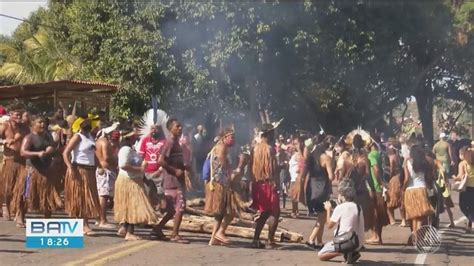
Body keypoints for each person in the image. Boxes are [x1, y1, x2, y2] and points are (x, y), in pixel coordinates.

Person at [114, 129, 158, 240]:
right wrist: (140, 169)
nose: (136, 138)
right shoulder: (125, 149)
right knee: (133, 206)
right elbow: (123, 165)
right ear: (128, 138)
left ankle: (124, 229)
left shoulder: (130, 149)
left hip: (133, 180)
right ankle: (130, 233)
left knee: (129, 206)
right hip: (129, 181)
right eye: (134, 136)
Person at [62, 117, 101, 235]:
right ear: (80, 125)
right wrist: (69, 167)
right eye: (85, 123)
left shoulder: (90, 136)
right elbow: (65, 153)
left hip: (89, 171)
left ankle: (82, 224)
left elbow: (93, 154)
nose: (87, 125)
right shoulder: (77, 137)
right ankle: (84, 225)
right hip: (79, 170)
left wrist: (99, 166)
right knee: (81, 198)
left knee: (87, 197)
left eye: (89, 123)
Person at [153, 118, 189, 243]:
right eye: (177, 126)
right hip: (173, 181)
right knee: (180, 208)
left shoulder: (176, 143)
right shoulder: (169, 143)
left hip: (176, 181)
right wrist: (175, 171)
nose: (180, 128)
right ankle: (174, 234)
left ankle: (158, 228)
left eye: (180, 126)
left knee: (172, 210)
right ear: (170, 129)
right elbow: (161, 160)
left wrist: (184, 167)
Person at [19, 116, 62, 221]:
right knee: (26, 195)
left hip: (47, 171)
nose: (43, 124)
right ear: (33, 125)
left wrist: (52, 149)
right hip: (33, 171)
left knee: (48, 196)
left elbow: (53, 148)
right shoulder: (29, 137)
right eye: (40, 122)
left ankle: (47, 219)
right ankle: (20, 217)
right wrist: (37, 153)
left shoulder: (48, 136)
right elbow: (23, 152)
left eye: (44, 122)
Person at [318, 179, 364, 264]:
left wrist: (328, 209)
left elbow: (329, 225)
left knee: (321, 255)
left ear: (342, 195)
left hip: (346, 241)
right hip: (358, 242)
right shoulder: (358, 207)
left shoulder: (341, 207)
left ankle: (343, 251)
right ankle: (350, 252)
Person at [249, 123, 280, 249]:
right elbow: (271, 169)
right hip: (268, 183)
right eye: (272, 133)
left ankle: (255, 240)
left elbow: (250, 167)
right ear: (268, 134)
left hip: (257, 183)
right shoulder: (269, 149)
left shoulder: (254, 148)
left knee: (264, 212)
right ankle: (270, 241)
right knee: (274, 212)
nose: (274, 135)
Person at [205, 128, 236, 246]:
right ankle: (220, 232)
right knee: (232, 211)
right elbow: (225, 165)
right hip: (220, 184)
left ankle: (213, 238)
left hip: (219, 183)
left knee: (220, 213)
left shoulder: (218, 146)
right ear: (224, 137)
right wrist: (233, 174)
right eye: (231, 137)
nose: (233, 139)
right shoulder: (221, 147)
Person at [0, 104, 29, 224]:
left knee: (22, 189)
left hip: (22, 162)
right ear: (10, 115)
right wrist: (5, 141)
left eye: (20, 114)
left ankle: (19, 215)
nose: (18, 116)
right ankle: (6, 206)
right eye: (16, 114)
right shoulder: (4, 126)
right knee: (8, 189)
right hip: (9, 161)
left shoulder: (25, 128)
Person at [305, 140, 335, 250]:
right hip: (322, 188)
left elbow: (305, 173)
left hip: (312, 187)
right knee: (322, 217)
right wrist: (331, 163)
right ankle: (311, 239)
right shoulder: (326, 158)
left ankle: (320, 241)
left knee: (320, 216)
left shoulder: (312, 157)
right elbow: (331, 176)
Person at [403, 144, 435, 243]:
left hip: (410, 190)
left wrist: (403, 188)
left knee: (413, 215)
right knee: (421, 215)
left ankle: (414, 234)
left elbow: (407, 178)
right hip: (421, 189)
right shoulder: (425, 162)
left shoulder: (407, 161)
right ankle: (418, 237)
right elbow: (429, 177)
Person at [95, 124, 119, 228]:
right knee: (104, 195)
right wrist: (115, 160)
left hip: (101, 169)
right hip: (105, 170)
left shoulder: (98, 142)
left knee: (101, 194)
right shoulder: (104, 142)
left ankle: (98, 218)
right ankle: (103, 220)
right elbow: (106, 157)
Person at [138, 124, 166, 209]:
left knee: (161, 192)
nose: (154, 130)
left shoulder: (164, 141)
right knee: (148, 192)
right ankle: (150, 210)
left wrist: (160, 170)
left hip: (159, 172)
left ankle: (163, 209)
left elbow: (167, 158)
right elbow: (141, 156)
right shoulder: (145, 140)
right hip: (147, 172)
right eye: (152, 128)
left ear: (160, 130)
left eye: (156, 128)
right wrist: (140, 169)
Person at [367, 142, 389, 244]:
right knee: (379, 212)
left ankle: (375, 236)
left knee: (374, 212)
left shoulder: (371, 155)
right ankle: (377, 236)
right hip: (379, 187)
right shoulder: (379, 154)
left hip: (375, 187)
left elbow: (375, 168)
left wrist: (379, 182)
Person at [386, 143, 407, 227]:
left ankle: (392, 220)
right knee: (401, 200)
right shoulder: (401, 157)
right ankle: (403, 220)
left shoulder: (392, 157)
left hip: (394, 179)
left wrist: (389, 178)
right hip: (401, 177)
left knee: (390, 200)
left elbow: (391, 170)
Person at [453, 147, 474, 233]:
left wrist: (455, 178)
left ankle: (472, 221)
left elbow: (460, 176)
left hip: (466, 188)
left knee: (463, 206)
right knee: (472, 207)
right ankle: (470, 225)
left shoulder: (462, 164)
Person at [288, 136, 304, 218]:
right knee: (293, 196)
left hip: (296, 178)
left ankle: (294, 212)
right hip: (293, 177)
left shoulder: (298, 155)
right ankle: (295, 211)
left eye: (295, 144)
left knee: (294, 196)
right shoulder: (294, 154)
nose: (293, 145)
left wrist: (299, 169)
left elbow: (302, 161)